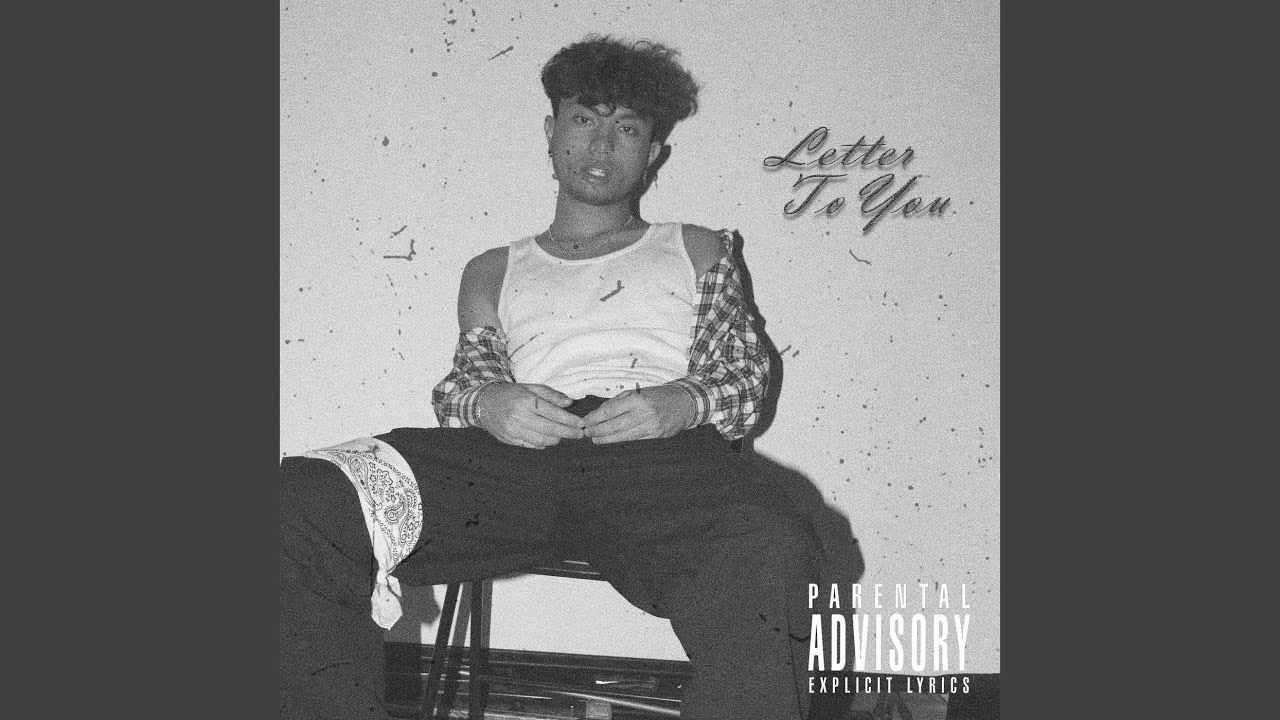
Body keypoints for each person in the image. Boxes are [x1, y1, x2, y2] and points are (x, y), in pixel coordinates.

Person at [281, 35, 840, 720]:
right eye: (583, 120)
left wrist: (679, 402)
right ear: (551, 134)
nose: (601, 145)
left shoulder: (696, 247)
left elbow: (744, 376)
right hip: (515, 460)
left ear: (653, 153)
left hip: (659, 461)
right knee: (306, 497)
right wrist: (492, 403)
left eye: (626, 128)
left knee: (775, 544)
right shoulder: (493, 268)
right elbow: (468, 381)